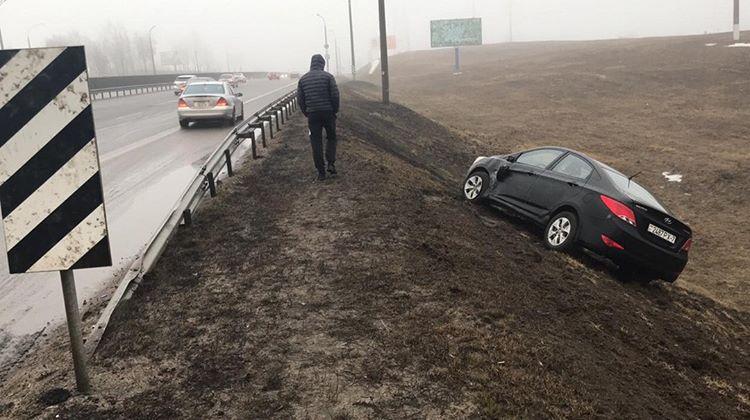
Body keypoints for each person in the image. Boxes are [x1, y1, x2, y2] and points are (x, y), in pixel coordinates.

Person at [297, 54, 340, 181]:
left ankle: (321, 172)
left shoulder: (303, 79)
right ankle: (331, 163)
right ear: (322, 64)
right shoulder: (328, 77)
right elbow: (335, 95)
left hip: (313, 115)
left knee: (316, 142)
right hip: (328, 113)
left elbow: (300, 100)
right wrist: (334, 110)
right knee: (331, 137)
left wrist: (307, 112)